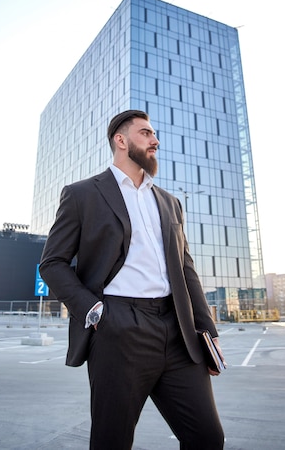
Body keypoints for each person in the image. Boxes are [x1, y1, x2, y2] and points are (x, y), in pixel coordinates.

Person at [39, 110, 225, 450]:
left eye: (154, 134)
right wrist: (94, 310)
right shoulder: (82, 195)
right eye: (146, 133)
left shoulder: (170, 202)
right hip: (118, 328)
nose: (155, 140)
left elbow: (185, 268)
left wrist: (207, 332)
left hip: (177, 331)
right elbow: (52, 263)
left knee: (208, 438)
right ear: (121, 141)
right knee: (113, 441)